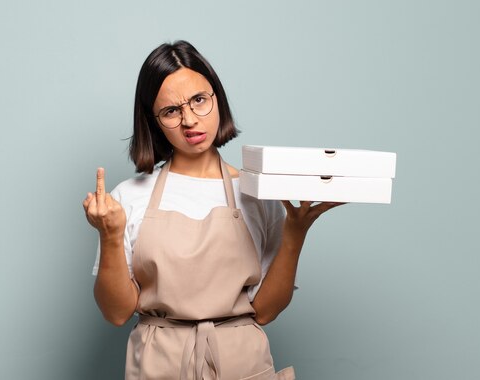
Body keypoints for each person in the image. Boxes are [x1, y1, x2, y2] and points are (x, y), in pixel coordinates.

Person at [83, 40, 342, 380]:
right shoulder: (128, 198)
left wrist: (295, 234)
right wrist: (110, 234)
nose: (189, 120)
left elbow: (265, 310)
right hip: (158, 362)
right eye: (171, 111)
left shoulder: (259, 194)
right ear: (154, 121)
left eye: (199, 100)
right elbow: (117, 313)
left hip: (241, 360)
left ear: (217, 98)